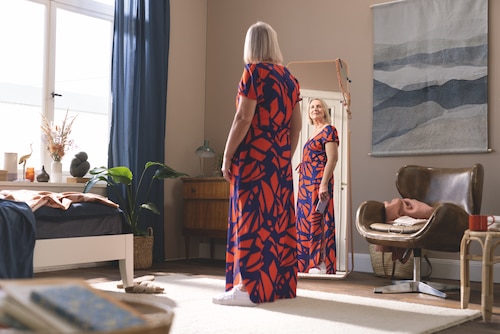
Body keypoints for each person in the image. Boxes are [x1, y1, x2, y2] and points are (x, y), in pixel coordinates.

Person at [212, 21, 302, 307]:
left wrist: (226, 156)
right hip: (278, 160)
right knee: (275, 221)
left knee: (250, 219)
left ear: (251, 44)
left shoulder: (254, 72)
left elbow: (243, 118)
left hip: (253, 158)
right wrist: (284, 156)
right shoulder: (290, 78)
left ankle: (247, 288)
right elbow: (296, 126)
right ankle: (275, 286)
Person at [296, 98, 339, 275]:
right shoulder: (313, 132)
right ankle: (304, 263)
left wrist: (323, 185)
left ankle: (319, 262)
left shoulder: (329, 130)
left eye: (319, 106)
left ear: (324, 110)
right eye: (312, 107)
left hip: (318, 182)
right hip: (305, 183)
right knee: (304, 222)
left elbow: (332, 159)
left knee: (318, 221)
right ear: (309, 112)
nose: (315, 109)